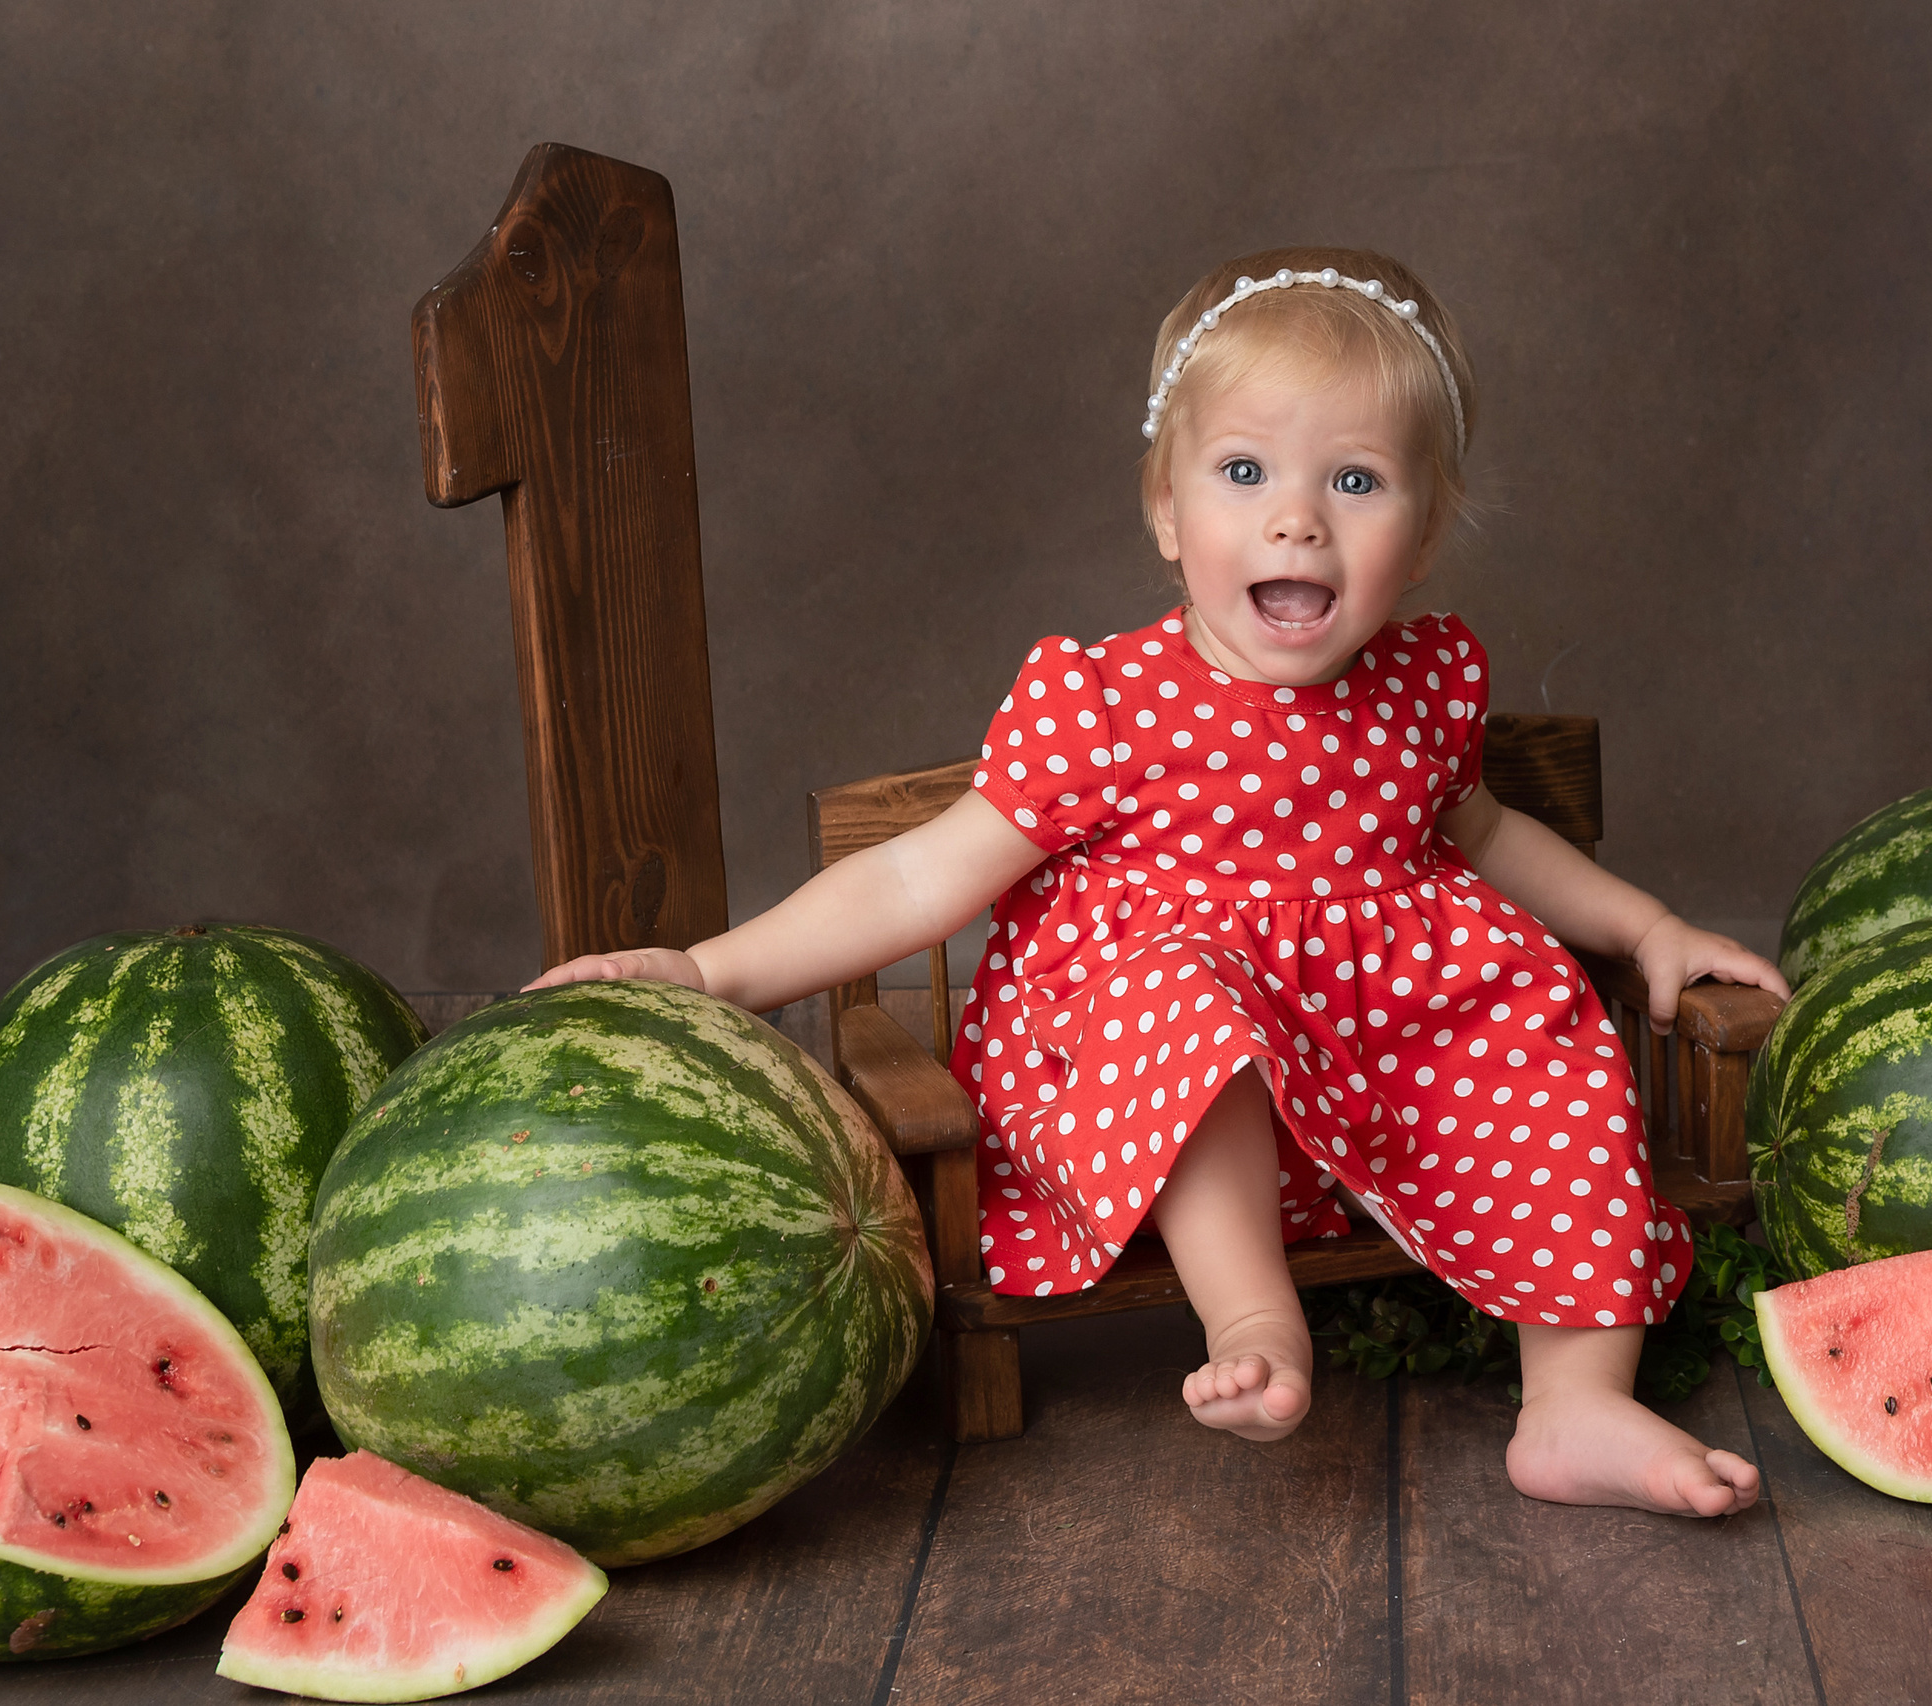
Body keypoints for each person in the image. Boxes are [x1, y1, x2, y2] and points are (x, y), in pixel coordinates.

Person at [526, 248, 1790, 1517]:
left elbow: (1491, 835)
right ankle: (1253, 1319)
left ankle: (1576, 1401)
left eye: (1355, 480)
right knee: (1194, 1002)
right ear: (1167, 512)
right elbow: (915, 875)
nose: (1296, 517)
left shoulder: (1421, 687)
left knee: (1545, 1034)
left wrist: (1648, 926)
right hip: (1153, 1093)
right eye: (1244, 473)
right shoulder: (1107, 705)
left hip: (1386, 1066)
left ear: (1421, 539)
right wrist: (710, 970)